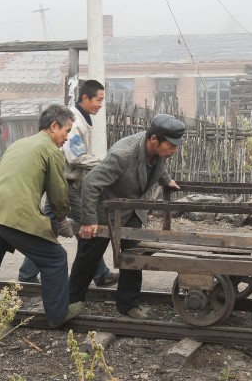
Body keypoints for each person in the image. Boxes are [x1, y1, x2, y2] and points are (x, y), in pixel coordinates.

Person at [0, 104, 83, 327]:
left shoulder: (18, 144)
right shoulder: (51, 151)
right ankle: (58, 316)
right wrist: (62, 221)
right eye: (66, 131)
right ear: (53, 126)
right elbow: (58, 194)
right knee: (55, 259)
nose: (67, 138)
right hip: (13, 216)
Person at [69, 113, 185, 320]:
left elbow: (157, 165)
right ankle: (72, 301)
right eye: (172, 145)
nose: (174, 150)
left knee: (134, 258)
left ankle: (128, 304)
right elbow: (90, 183)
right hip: (104, 212)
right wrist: (89, 220)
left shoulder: (157, 150)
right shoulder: (123, 155)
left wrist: (165, 180)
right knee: (89, 257)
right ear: (154, 140)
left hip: (133, 210)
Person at [17, 80, 119, 287]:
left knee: (49, 228)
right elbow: (76, 157)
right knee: (90, 224)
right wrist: (106, 164)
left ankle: (27, 274)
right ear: (85, 98)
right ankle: (100, 274)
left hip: (66, 183)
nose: (101, 104)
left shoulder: (82, 119)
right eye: (98, 100)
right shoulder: (75, 123)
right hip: (66, 184)